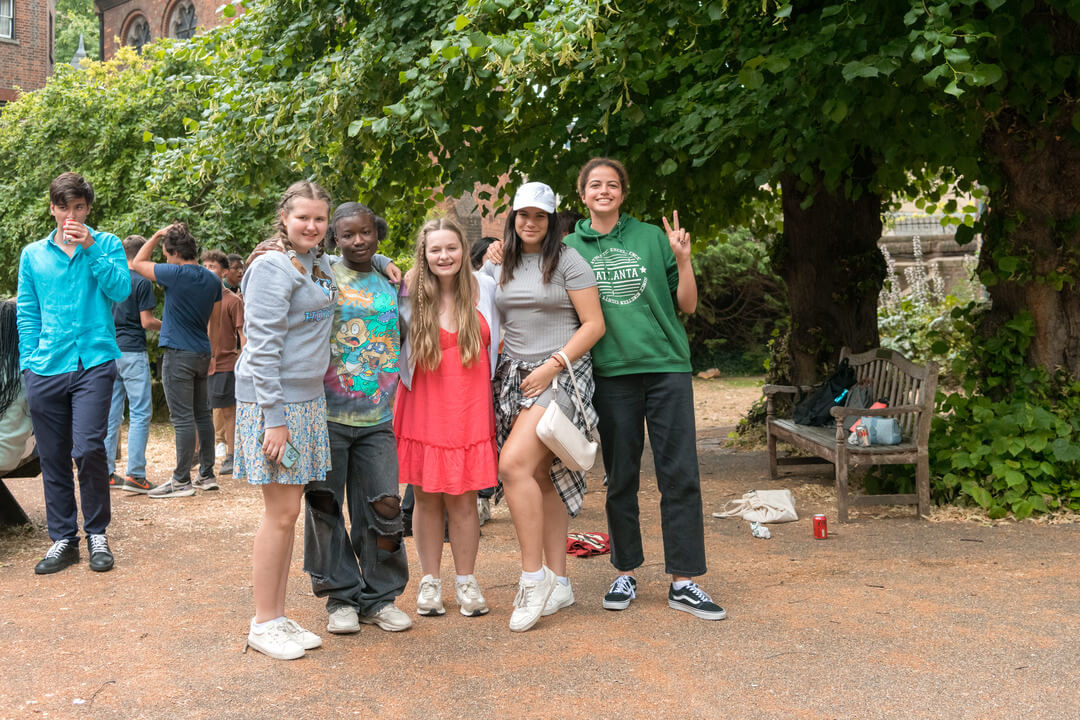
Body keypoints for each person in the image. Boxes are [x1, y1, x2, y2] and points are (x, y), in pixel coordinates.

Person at [563, 157, 725, 621]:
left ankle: (684, 580)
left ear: (622, 193)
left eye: (612, 184)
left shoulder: (652, 238)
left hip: (666, 366)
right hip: (613, 373)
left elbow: (687, 306)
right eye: (595, 185)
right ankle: (626, 571)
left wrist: (683, 259)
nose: (604, 191)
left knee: (680, 474)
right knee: (621, 478)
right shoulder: (570, 247)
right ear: (583, 195)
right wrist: (495, 253)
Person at [483, 182, 604, 632]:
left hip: (561, 375)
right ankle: (560, 582)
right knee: (539, 474)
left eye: (540, 216)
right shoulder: (502, 261)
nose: (530, 223)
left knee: (512, 466)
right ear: (512, 218)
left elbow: (594, 324)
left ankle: (533, 577)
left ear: (552, 221)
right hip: (513, 377)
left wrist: (553, 365)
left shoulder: (569, 259)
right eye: (522, 215)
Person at [236, 181, 338, 660]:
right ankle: (263, 622)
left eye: (319, 219)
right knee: (279, 515)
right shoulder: (272, 267)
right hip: (274, 406)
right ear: (285, 217)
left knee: (288, 513)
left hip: (306, 401)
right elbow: (262, 347)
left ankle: (275, 614)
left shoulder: (315, 263)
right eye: (303, 218)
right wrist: (274, 420)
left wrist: (382, 262)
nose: (312, 226)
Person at [303, 202, 411, 636]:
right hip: (326, 415)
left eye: (365, 233)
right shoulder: (322, 272)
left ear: (377, 234)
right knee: (325, 506)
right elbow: (279, 250)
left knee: (385, 508)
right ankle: (340, 598)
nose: (358, 241)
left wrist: (386, 263)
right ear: (334, 239)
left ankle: (379, 597)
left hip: (379, 418)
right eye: (347, 235)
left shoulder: (392, 282)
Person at [17, 172, 130, 574]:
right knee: (52, 456)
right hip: (46, 366)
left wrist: (91, 247)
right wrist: (28, 363)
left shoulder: (108, 244)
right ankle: (64, 539)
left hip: (94, 362)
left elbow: (121, 291)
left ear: (87, 208)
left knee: (87, 448)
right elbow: (27, 312)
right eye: (64, 207)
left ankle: (97, 532)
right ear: (52, 208)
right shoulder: (33, 254)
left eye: (79, 207)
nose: (71, 214)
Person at [395, 218, 500, 618]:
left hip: (470, 405)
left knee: (464, 498)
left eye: (451, 248)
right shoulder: (408, 294)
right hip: (423, 402)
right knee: (425, 497)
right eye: (435, 249)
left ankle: (467, 581)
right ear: (423, 254)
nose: (444, 256)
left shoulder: (485, 287)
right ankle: (430, 581)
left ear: (463, 249)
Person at [132, 224, 222, 497]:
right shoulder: (212, 279)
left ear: (173, 252)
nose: (165, 260)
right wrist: (213, 354)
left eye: (166, 254)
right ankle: (206, 475)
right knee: (202, 415)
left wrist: (157, 234)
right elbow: (214, 323)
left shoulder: (175, 273)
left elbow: (137, 263)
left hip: (178, 354)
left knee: (182, 419)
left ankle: (180, 480)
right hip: (202, 352)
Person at [103, 235, 161, 494]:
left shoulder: (111, 281)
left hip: (108, 351)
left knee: (111, 413)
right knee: (139, 413)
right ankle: (136, 474)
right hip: (133, 352)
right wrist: (170, 326)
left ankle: (105, 472)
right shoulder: (141, 281)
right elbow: (147, 321)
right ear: (142, 255)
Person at [201, 249, 245, 476]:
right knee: (199, 411)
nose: (208, 270)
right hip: (199, 362)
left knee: (228, 412)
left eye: (213, 267)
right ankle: (197, 455)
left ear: (223, 272)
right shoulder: (197, 297)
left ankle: (232, 455)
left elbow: (242, 335)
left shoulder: (232, 300)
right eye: (204, 266)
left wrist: (246, 362)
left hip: (225, 365)